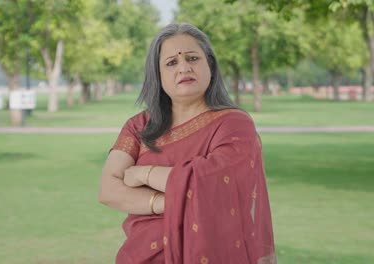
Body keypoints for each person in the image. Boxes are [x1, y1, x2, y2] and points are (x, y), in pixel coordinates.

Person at [99, 23, 276, 264]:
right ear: (158, 75)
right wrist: (171, 203)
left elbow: (212, 182)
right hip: (140, 256)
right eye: (171, 63)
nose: (184, 67)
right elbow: (108, 190)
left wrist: (143, 174)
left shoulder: (234, 124)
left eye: (193, 58)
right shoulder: (139, 126)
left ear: (210, 65)